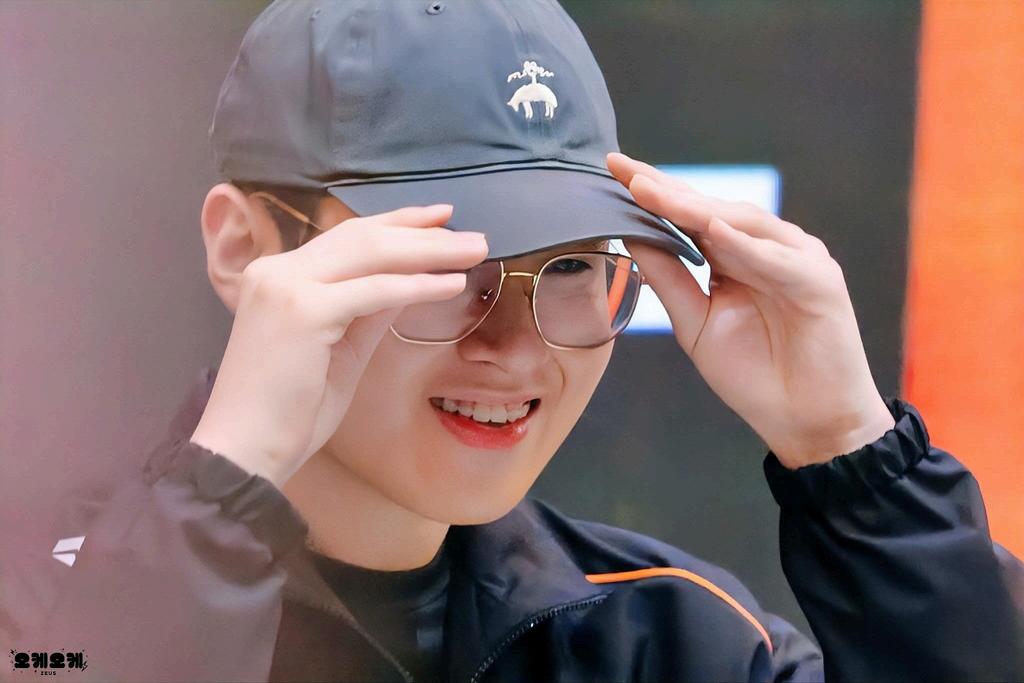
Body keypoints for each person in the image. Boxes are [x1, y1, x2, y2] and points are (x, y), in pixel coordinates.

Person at [9, 1, 1023, 681]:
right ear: (245, 248)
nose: (515, 346)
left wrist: (852, 457)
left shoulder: (674, 640)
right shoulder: (42, 609)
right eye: (447, 261)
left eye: (574, 264)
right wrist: (215, 505)